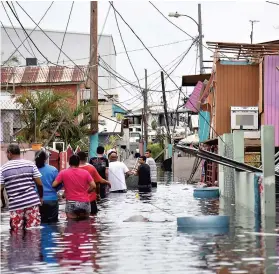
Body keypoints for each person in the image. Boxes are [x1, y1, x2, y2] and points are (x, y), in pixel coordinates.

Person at [0, 144, 43, 231]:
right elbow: (39, 184)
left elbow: (0, 189)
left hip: (16, 205)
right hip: (32, 202)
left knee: (16, 233)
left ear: (10, 153)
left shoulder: (3, 169)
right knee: (33, 231)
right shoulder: (30, 164)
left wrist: (4, 203)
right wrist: (41, 198)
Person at [52, 154, 96, 220]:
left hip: (71, 202)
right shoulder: (86, 173)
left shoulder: (63, 173)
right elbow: (93, 186)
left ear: (69, 163)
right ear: (78, 163)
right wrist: (87, 191)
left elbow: (54, 185)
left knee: (71, 225)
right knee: (85, 225)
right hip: (85, 202)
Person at [35, 150, 60, 223]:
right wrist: (54, 191)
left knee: (37, 223)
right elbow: (58, 184)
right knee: (52, 223)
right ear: (45, 158)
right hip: (52, 200)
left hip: (36, 200)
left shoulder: (32, 169)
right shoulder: (53, 169)